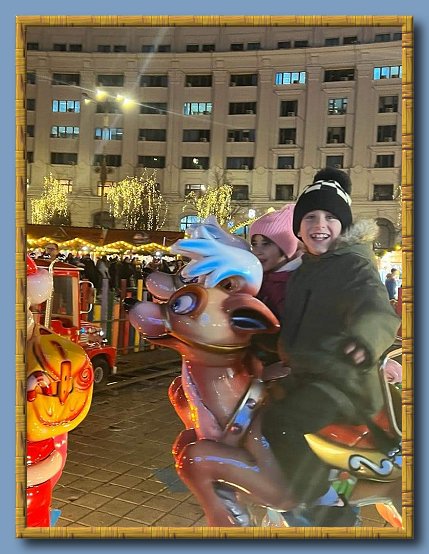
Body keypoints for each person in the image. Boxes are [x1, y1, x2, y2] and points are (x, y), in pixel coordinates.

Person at [260, 167, 401, 526]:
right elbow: (294, 326)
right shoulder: (306, 270)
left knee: (282, 422)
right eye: (310, 217)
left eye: (329, 217)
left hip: (344, 381)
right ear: (298, 228)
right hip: (308, 373)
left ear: (343, 226)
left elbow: (374, 308)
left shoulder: (353, 265)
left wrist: (365, 340)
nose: (319, 224)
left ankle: (325, 506)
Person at [249, 204, 301, 321]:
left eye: (266, 244)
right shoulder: (259, 277)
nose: (257, 251)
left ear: (286, 247)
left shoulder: (291, 286)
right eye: (254, 244)